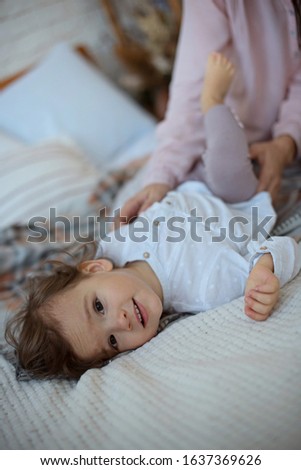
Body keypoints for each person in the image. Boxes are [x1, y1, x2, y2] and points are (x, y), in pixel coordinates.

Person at [5, 53, 301, 380]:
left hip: (184, 184)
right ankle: (213, 101)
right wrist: (264, 271)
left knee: (161, 163)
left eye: (99, 307)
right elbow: (281, 247)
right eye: (113, 342)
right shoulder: (206, 288)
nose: (120, 322)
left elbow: (119, 221)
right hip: (238, 199)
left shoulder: (113, 248)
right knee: (225, 167)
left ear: (94, 268)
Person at [117, 0, 301, 225]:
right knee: (143, 189)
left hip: (240, 166)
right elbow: (190, 93)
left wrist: (287, 141)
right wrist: (160, 176)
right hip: (226, 151)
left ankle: (212, 104)